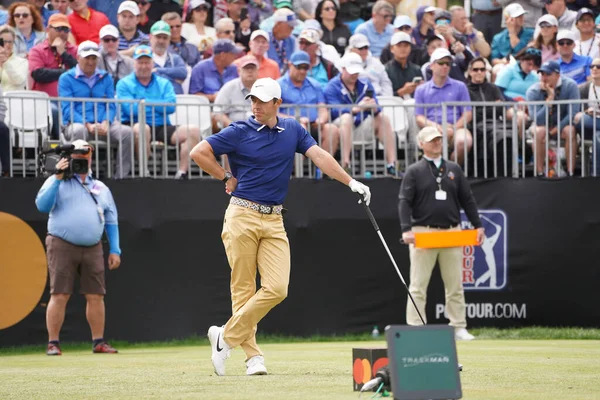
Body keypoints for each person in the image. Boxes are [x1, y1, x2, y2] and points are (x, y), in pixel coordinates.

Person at [189, 77, 371, 376]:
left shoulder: (293, 130)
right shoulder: (239, 130)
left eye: (262, 101)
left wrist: (351, 182)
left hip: (274, 219)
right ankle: (253, 357)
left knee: (277, 288)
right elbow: (198, 152)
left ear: (277, 103)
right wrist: (225, 177)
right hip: (242, 215)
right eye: (253, 100)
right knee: (244, 289)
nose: (256, 106)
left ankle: (225, 336)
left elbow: (320, 156)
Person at [35, 139, 122, 356]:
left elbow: (111, 220)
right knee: (60, 293)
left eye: (85, 157)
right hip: (61, 243)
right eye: (77, 158)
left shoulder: (100, 187)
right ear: (69, 158)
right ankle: (53, 343)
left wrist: (115, 249)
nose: (82, 161)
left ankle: (98, 342)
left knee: (96, 295)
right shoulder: (57, 180)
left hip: (93, 246)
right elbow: (42, 205)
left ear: (91, 158)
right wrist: (56, 177)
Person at [398, 126, 484, 341]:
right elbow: (404, 202)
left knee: (455, 284)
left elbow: (468, 199)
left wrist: (478, 225)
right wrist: (406, 229)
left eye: (438, 139)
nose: (437, 143)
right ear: (421, 144)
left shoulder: (454, 168)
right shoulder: (414, 171)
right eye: (432, 140)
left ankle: (458, 327)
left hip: (452, 232)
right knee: (418, 285)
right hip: (422, 233)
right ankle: (416, 326)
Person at [116, 45, 201, 179]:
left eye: (147, 62)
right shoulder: (123, 83)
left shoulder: (164, 83)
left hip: (162, 125)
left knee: (193, 130)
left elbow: (171, 107)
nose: (144, 66)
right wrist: (158, 104)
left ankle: (182, 173)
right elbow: (131, 111)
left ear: (152, 64)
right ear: (134, 64)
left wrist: (144, 102)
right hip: (135, 123)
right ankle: (145, 172)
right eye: (140, 62)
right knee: (142, 128)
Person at [58, 40, 134, 179]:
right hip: (78, 124)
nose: (91, 62)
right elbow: (68, 108)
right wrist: (87, 124)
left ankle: (121, 177)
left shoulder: (106, 77)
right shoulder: (66, 78)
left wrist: (106, 121)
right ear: (78, 57)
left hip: (103, 124)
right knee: (79, 130)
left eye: (94, 58)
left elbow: (111, 104)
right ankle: (79, 175)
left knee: (127, 133)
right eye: (87, 58)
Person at [324, 52, 397, 175]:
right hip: (339, 125)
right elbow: (333, 111)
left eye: (356, 72)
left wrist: (373, 107)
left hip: (362, 124)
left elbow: (377, 107)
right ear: (343, 69)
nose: (354, 75)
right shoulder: (331, 86)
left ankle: (392, 164)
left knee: (383, 118)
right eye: (351, 72)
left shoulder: (366, 84)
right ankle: (346, 163)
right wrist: (355, 109)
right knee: (346, 118)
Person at [414, 47, 472, 166]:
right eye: (441, 63)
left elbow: (467, 114)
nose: (445, 66)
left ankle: (451, 168)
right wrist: (437, 127)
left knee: (464, 141)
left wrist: (453, 128)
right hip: (432, 127)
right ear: (432, 65)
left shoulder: (460, 86)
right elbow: (419, 117)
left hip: (456, 127)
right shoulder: (421, 90)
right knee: (430, 140)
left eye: (448, 63)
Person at [278, 50, 340, 155]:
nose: (302, 71)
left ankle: (322, 170)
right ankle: (297, 171)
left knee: (332, 129)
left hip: (314, 125)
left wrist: (321, 119)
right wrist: (295, 120)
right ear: (290, 65)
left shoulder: (315, 84)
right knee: (299, 128)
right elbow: (274, 113)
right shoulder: (278, 85)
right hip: (288, 127)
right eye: (299, 67)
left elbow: (322, 108)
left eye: (305, 67)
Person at [526, 60, 579, 177]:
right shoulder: (533, 91)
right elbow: (538, 120)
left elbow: (572, 114)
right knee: (540, 132)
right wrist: (550, 100)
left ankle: (570, 173)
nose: (544, 78)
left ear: (558, 75)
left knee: (570, 130)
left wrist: (554, 131)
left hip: (562, 126)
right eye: (542, 74)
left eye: (548, 74)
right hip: (541, 126)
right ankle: (540, 173)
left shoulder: (570, 86)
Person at [29, 13, 77, 139]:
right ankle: (57, 146)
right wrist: (65, 73)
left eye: (65, 29)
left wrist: (64, 53)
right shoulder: (37, 50)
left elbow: (80, 72)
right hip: (45, 101)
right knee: (54, 110)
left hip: (71, 101)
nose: (62, 33)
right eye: (58, 29)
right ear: (47, 29)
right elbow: (38, 74)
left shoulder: (74, 51)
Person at [213, 55, 258, 129]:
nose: (250, 71)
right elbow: (217, 111)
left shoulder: (263, 86)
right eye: (246, 68)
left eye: (252, 68)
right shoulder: (229, 87)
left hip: (260, 129)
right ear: (239, 71)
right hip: (235, 130)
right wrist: (232, 127)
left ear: (257, 71)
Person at [573, 56, 600, 176]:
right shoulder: (583, 88)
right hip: (588, 125)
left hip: (596, 129)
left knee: (598, 137)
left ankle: (595, 174)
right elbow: (577, 113)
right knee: (582, 119)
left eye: (598, 67)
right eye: (592, 66)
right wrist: (586, 111)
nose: (594, 69)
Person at [490, 4, 534, 76]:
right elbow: (494, 59)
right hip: (505, 66)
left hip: (525, 65)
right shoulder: (498, 38)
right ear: (509, 19)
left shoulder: (530, 33)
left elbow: (520, 50)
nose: (522, 18)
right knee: (497, 69)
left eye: (522, 15)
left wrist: (512, 32)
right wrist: (503, 62)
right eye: (518, 16)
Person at [148, 21, 188, 94]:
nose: (161, 41)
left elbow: (183, 73)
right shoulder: (145, 58)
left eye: (165, 38)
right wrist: (172, 77)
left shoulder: (175, 58)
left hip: (175, 100)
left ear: (169, 39)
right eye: (158, 37)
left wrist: (158, 70)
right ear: (150, 37)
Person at [385, 31, 422, 99]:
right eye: (399, 46)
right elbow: (384, 95)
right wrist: (402, 92)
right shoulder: (385, 70)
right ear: (392, 49)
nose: (403, 48)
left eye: (406, 45)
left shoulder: (416, 69)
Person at [0, 25, 28, 92]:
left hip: (13, 101)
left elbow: (19, 81)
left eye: (10, 42)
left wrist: (5, 62)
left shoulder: (23, 62)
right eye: (3, 41)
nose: (7, 44)